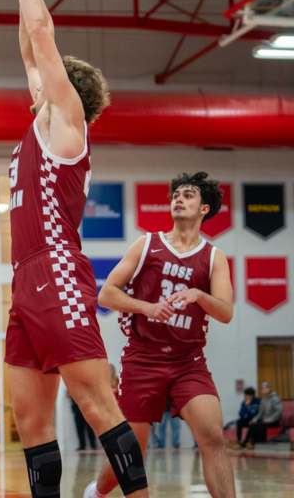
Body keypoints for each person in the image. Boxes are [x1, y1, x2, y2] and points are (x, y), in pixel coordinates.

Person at [7, 0, 149, 498]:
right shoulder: (41, 118)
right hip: (24, 276)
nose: (35, 78)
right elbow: (29, 42)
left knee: (96, 402)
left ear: (68, 91)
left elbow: (40, 39)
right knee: (30, 419)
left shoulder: (66, 123)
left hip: (58, 268)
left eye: (47, 76)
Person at [84, 172, 235, 498]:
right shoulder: (147, 244)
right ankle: (96, 491)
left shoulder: (213, 257)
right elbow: (107, 294)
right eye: (176, 194)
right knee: (132, 446)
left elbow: (225, 312)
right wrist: (147, 308)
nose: (179, 199)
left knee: (212, 436)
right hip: (144, 358)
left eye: (189, 195)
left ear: (204, 208)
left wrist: (200, 295)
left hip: (188, 361)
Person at [242, 381, 283, 448]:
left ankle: (260, 443)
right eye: (262, 388)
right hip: (265, 420)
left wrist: (269, 420)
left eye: (264, 388)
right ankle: (248, 443)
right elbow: (260, 413)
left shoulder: (275, 398)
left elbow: (278, 412)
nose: (262, 390)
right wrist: (254, 419)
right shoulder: (264, 399)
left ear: (268, 389)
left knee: (260, 425)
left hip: (274, 421)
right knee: (253, 424)